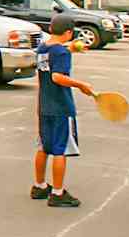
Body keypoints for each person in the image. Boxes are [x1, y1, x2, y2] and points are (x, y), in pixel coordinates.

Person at [32, 14, 95, 208]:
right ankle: (58, 193)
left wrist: (72, 48)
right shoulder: (62, 53)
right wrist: (81, 85)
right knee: (61, 150)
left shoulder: (43, 48)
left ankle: (40, 185)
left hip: (44, 106)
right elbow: (58, 77)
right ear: (68, 32)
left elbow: (55, 54)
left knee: (44, 146)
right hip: (61, 106)